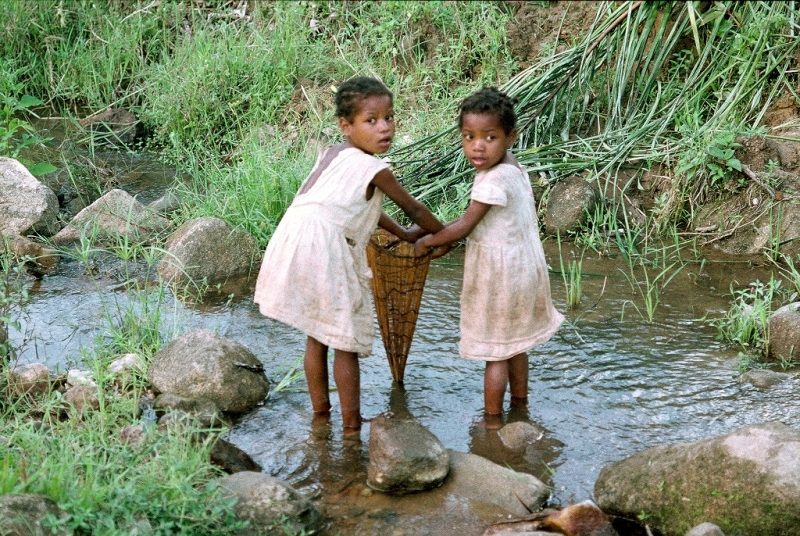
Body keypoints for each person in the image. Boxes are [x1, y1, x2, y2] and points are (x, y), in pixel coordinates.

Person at [254, 76, 444, 433]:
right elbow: (415, 209)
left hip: (294, 235)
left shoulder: (333, 152)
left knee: (317, 333)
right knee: (344, 341)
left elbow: (361, 201)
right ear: (347, 125)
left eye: (389, 117)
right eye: (371, 120)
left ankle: (321, 413)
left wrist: (401, 234)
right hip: (324, 245)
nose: (384, 127)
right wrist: (445, 233)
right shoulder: (376, 169)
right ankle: (352, 424)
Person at [414, 87, 564, 427]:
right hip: (525, 269)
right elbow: (474, 222)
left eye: (489, 137)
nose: (477, 146)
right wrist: (441, 236)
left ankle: (493, 421)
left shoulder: (490, 179)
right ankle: (520, 405)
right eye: (469, 137)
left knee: (495, 353)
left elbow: (466, 224)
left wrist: (426, 243)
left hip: (501, 278)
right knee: (516, 345)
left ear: (511, 136)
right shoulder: (513, 167)